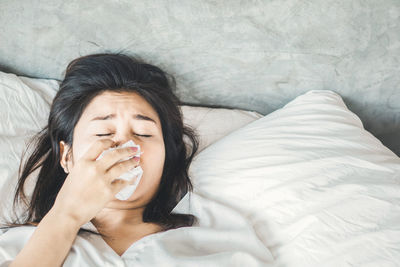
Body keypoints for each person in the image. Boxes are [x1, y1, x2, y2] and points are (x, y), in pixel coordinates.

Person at [0, 53, 199, 266]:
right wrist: (66, 214)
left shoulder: (201, 243)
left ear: (166, 159)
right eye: (103, 133)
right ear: (67, 156)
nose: (125, 144)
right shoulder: (14, 246)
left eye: (143, 133)